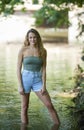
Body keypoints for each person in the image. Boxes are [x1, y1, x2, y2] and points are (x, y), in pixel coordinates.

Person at [17, 28, 60, 128]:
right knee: (24, 107)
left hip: (38, 80)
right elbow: (18, 69)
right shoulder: (23, 50)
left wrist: (44, 85)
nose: (33, 39)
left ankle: (57, 126)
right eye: (30, 37)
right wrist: (20, 85)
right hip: (25, 80)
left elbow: (44, 69)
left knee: (49, 105)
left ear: (38, 38)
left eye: (35, 37)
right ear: (27, 39)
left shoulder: (43, 51)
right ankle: (24, 128)